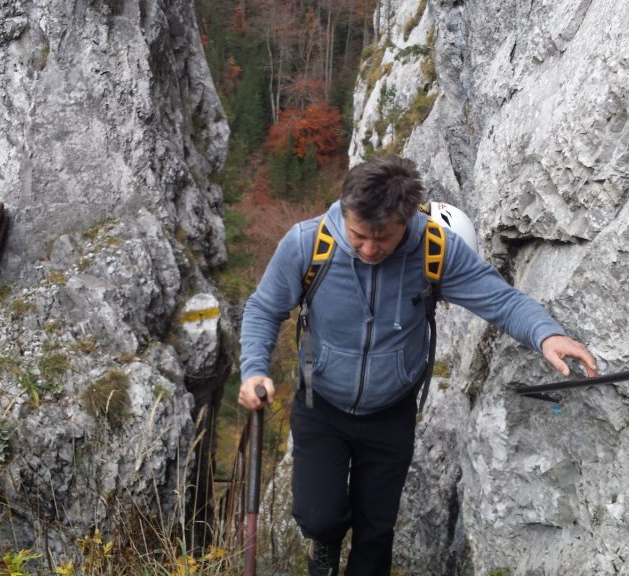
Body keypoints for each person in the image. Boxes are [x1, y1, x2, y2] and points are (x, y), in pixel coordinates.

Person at [238, 156, 597, 575]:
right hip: (321, 400)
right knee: (320, 516)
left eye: (383, 239)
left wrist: (546, 333)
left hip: (392, 410)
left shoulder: (434, 249)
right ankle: (326, 547)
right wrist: (254, 369)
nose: (370, 249)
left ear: (407, 220)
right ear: (344, 209)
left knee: (376, 529)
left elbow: (499, 299)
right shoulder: (306, 244)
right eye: (358, 235)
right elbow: (263, 309)